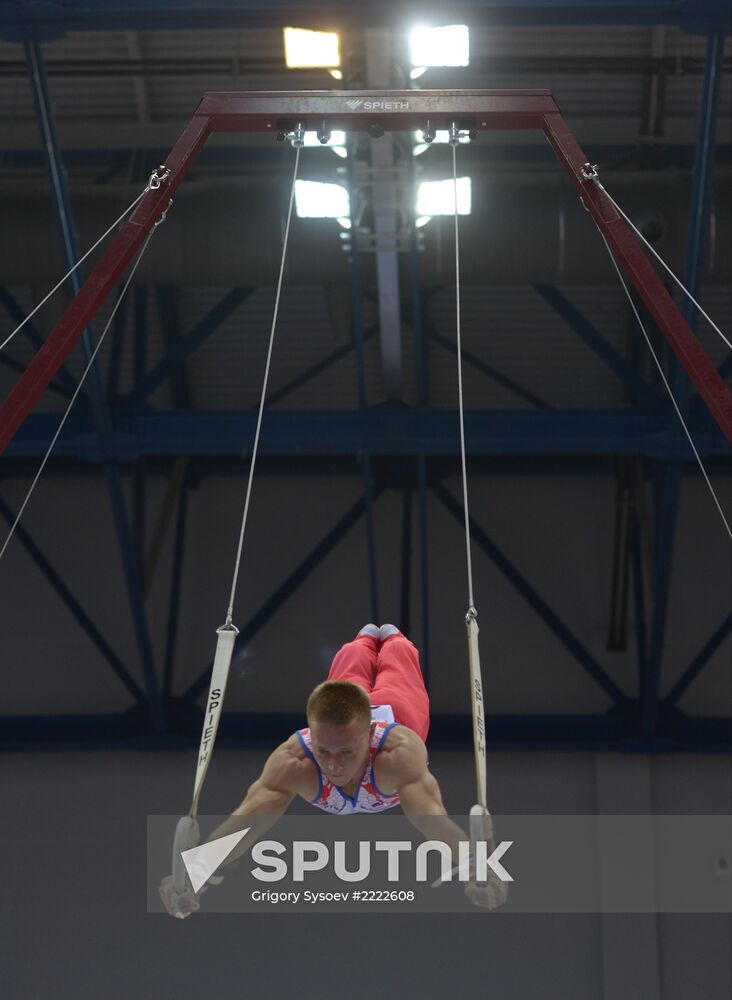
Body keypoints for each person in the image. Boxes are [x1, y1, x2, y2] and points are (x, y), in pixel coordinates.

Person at [159, 624, 506, 916]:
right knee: (347, 675)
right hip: (346, 720)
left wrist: (472, 863)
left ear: (369, 735)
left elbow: (430, 817)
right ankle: (363, 642)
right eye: (323, 750)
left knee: (398, 661)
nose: (333, 764)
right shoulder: (296, 762)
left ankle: (392, 640)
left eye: (346, 752)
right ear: (311, 734)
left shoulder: (396, 754)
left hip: (399, 713)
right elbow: (250, 821)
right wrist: (198, 867)